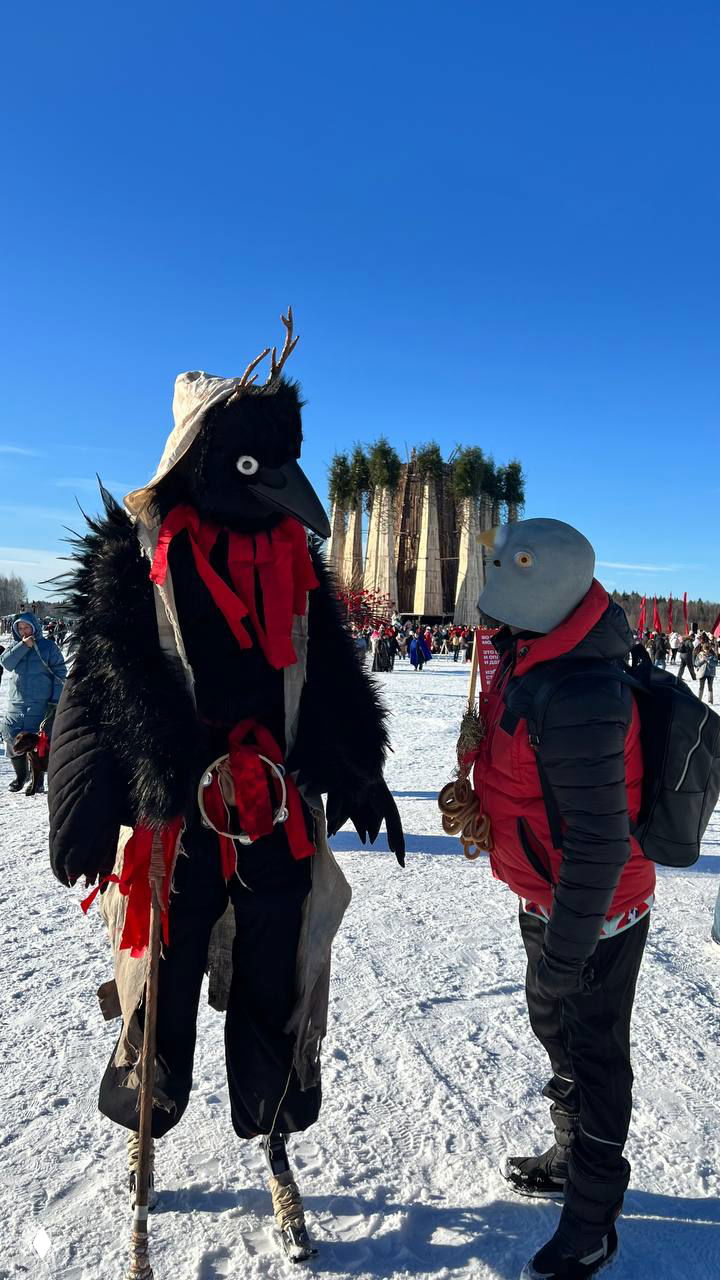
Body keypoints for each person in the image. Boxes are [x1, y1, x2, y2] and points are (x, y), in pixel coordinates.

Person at [47, 315, 405, 1258]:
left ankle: (273, 1118)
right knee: (160, 976)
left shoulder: (293, 557)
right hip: (177, 823)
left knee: (277, 976)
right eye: (257, 467)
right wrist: (85, 794)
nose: (282, 491)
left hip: (277, 815)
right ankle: (149, 1117)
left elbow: (326, 670)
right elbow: (102, 681)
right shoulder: (139, 561)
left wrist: (359, 766)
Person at [468, 518, 654, 1280]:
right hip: (547, 896)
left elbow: (601, 845)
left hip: (596, 912)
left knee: (596, 1053)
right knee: (557, 1031)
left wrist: (570, 952)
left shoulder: (580, 690)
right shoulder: (532, 651)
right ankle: (569, 1149)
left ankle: (592, 1217)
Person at [1, 611, 66, 792]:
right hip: (17, 702)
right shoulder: (15, 646)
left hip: (41, 702)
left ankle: (37, 780)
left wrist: (55, 700)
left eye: (27, 627)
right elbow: (6, 663)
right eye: (20, 628)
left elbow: (60, 674)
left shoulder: (48, 647)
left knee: (40, 741)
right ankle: (21, 776)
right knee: (11, 737)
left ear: (35, 627)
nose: (24, 631)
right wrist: (22, 646)